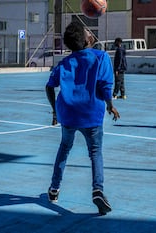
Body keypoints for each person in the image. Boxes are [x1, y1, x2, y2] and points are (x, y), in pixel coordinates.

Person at [46, 22, 120, 215]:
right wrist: (110, 104)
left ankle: (54, 188)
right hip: (91, 113)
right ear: (87, 38)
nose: (90, 32)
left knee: (64, 148)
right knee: (95, 152)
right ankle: (97, 189)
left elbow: (49, 86)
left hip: (68, 114)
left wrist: (55, 110)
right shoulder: (101, 57)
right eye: (88, 31)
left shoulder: (64, 63)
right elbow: (105, 85)